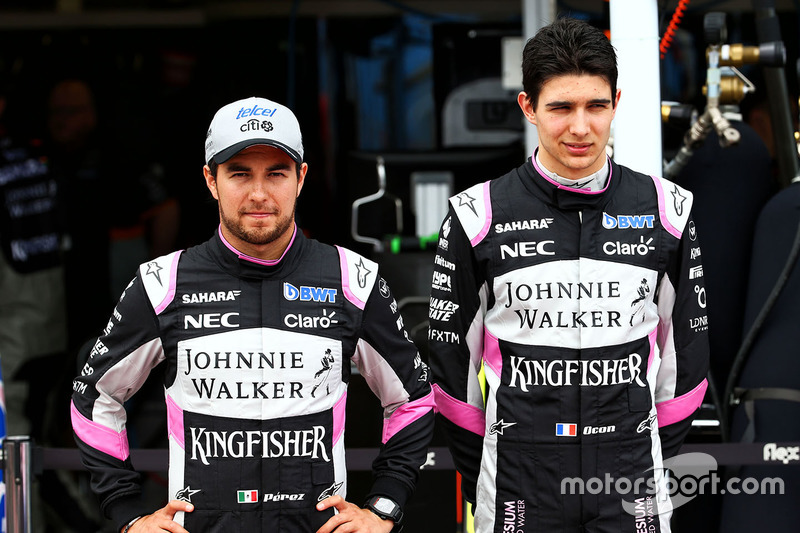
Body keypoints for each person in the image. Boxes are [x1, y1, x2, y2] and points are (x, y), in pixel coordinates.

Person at [71, 96, 434, 533]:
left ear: (301, 178)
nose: (259, 194)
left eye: (276, 173)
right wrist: (128, 514)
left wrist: (383, 509)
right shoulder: (161, 282)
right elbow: (94, 398)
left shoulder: (353, 279)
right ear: (211, 180)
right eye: (240, 174)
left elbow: (412, 400)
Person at [427, 18, 710, 532]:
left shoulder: (668, 209)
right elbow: (450, 368)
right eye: (561, 108)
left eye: (595, 106)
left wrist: (647, 455)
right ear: (528, 107)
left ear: (616, 103)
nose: (580, 128)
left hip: (632, 473)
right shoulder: (476, 214)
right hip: (518, 475)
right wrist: (486, 465)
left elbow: (685, 357)